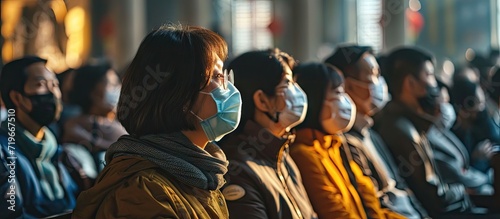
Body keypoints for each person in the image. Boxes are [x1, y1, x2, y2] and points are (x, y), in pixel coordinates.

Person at [72, 24, 241, 218]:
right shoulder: (142, 192)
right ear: (179, 95)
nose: (227, 88)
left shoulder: (201, 172)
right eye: (216, 76)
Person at [325, 45, 429, 219]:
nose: (379, 83)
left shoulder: (370, 133)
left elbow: (402, 188)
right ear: (347, 85)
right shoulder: (345, 142)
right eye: (373, 75)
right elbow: (375, 205)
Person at [291, 62, 404, 219]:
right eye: (337, 93)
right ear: (315, 100)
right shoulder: (304, 155)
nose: (345, 100)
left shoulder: (337, 145)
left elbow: (371, 205)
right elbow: (336, 213)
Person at [372, 47, 475, 217]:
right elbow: (435, 198)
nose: (434, 83)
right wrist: (462, 191)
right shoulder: (403, 130)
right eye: (429, 75)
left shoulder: (410, 123)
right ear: (410, 83)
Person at [219, 49, 317, 219]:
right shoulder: (238, 169)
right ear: (262, 100)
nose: (298, 92)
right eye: (287, 84)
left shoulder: (281, 155)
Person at [0, 56, 77, 218]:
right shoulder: (5, 152)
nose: (53, 93)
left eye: (55, 85)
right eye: (41, 84)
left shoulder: (58, 151)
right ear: (17, 98)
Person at [61, 62, 127, 189]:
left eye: (118, 84)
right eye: (112, 85)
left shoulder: (119, 122)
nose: (118, 89)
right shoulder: (77, 125)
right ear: (93, 92)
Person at [427, 80, 493, 195]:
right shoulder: (439, 136)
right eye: (444, 102)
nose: (482, 109)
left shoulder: (469, 131)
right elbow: (458, 174)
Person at [450, 67, 497, 173]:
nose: (482, 108)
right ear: (463, 109)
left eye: (482, 103)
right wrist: (476, 159)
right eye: (478, 104)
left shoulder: (480, 125)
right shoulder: (454, 137)